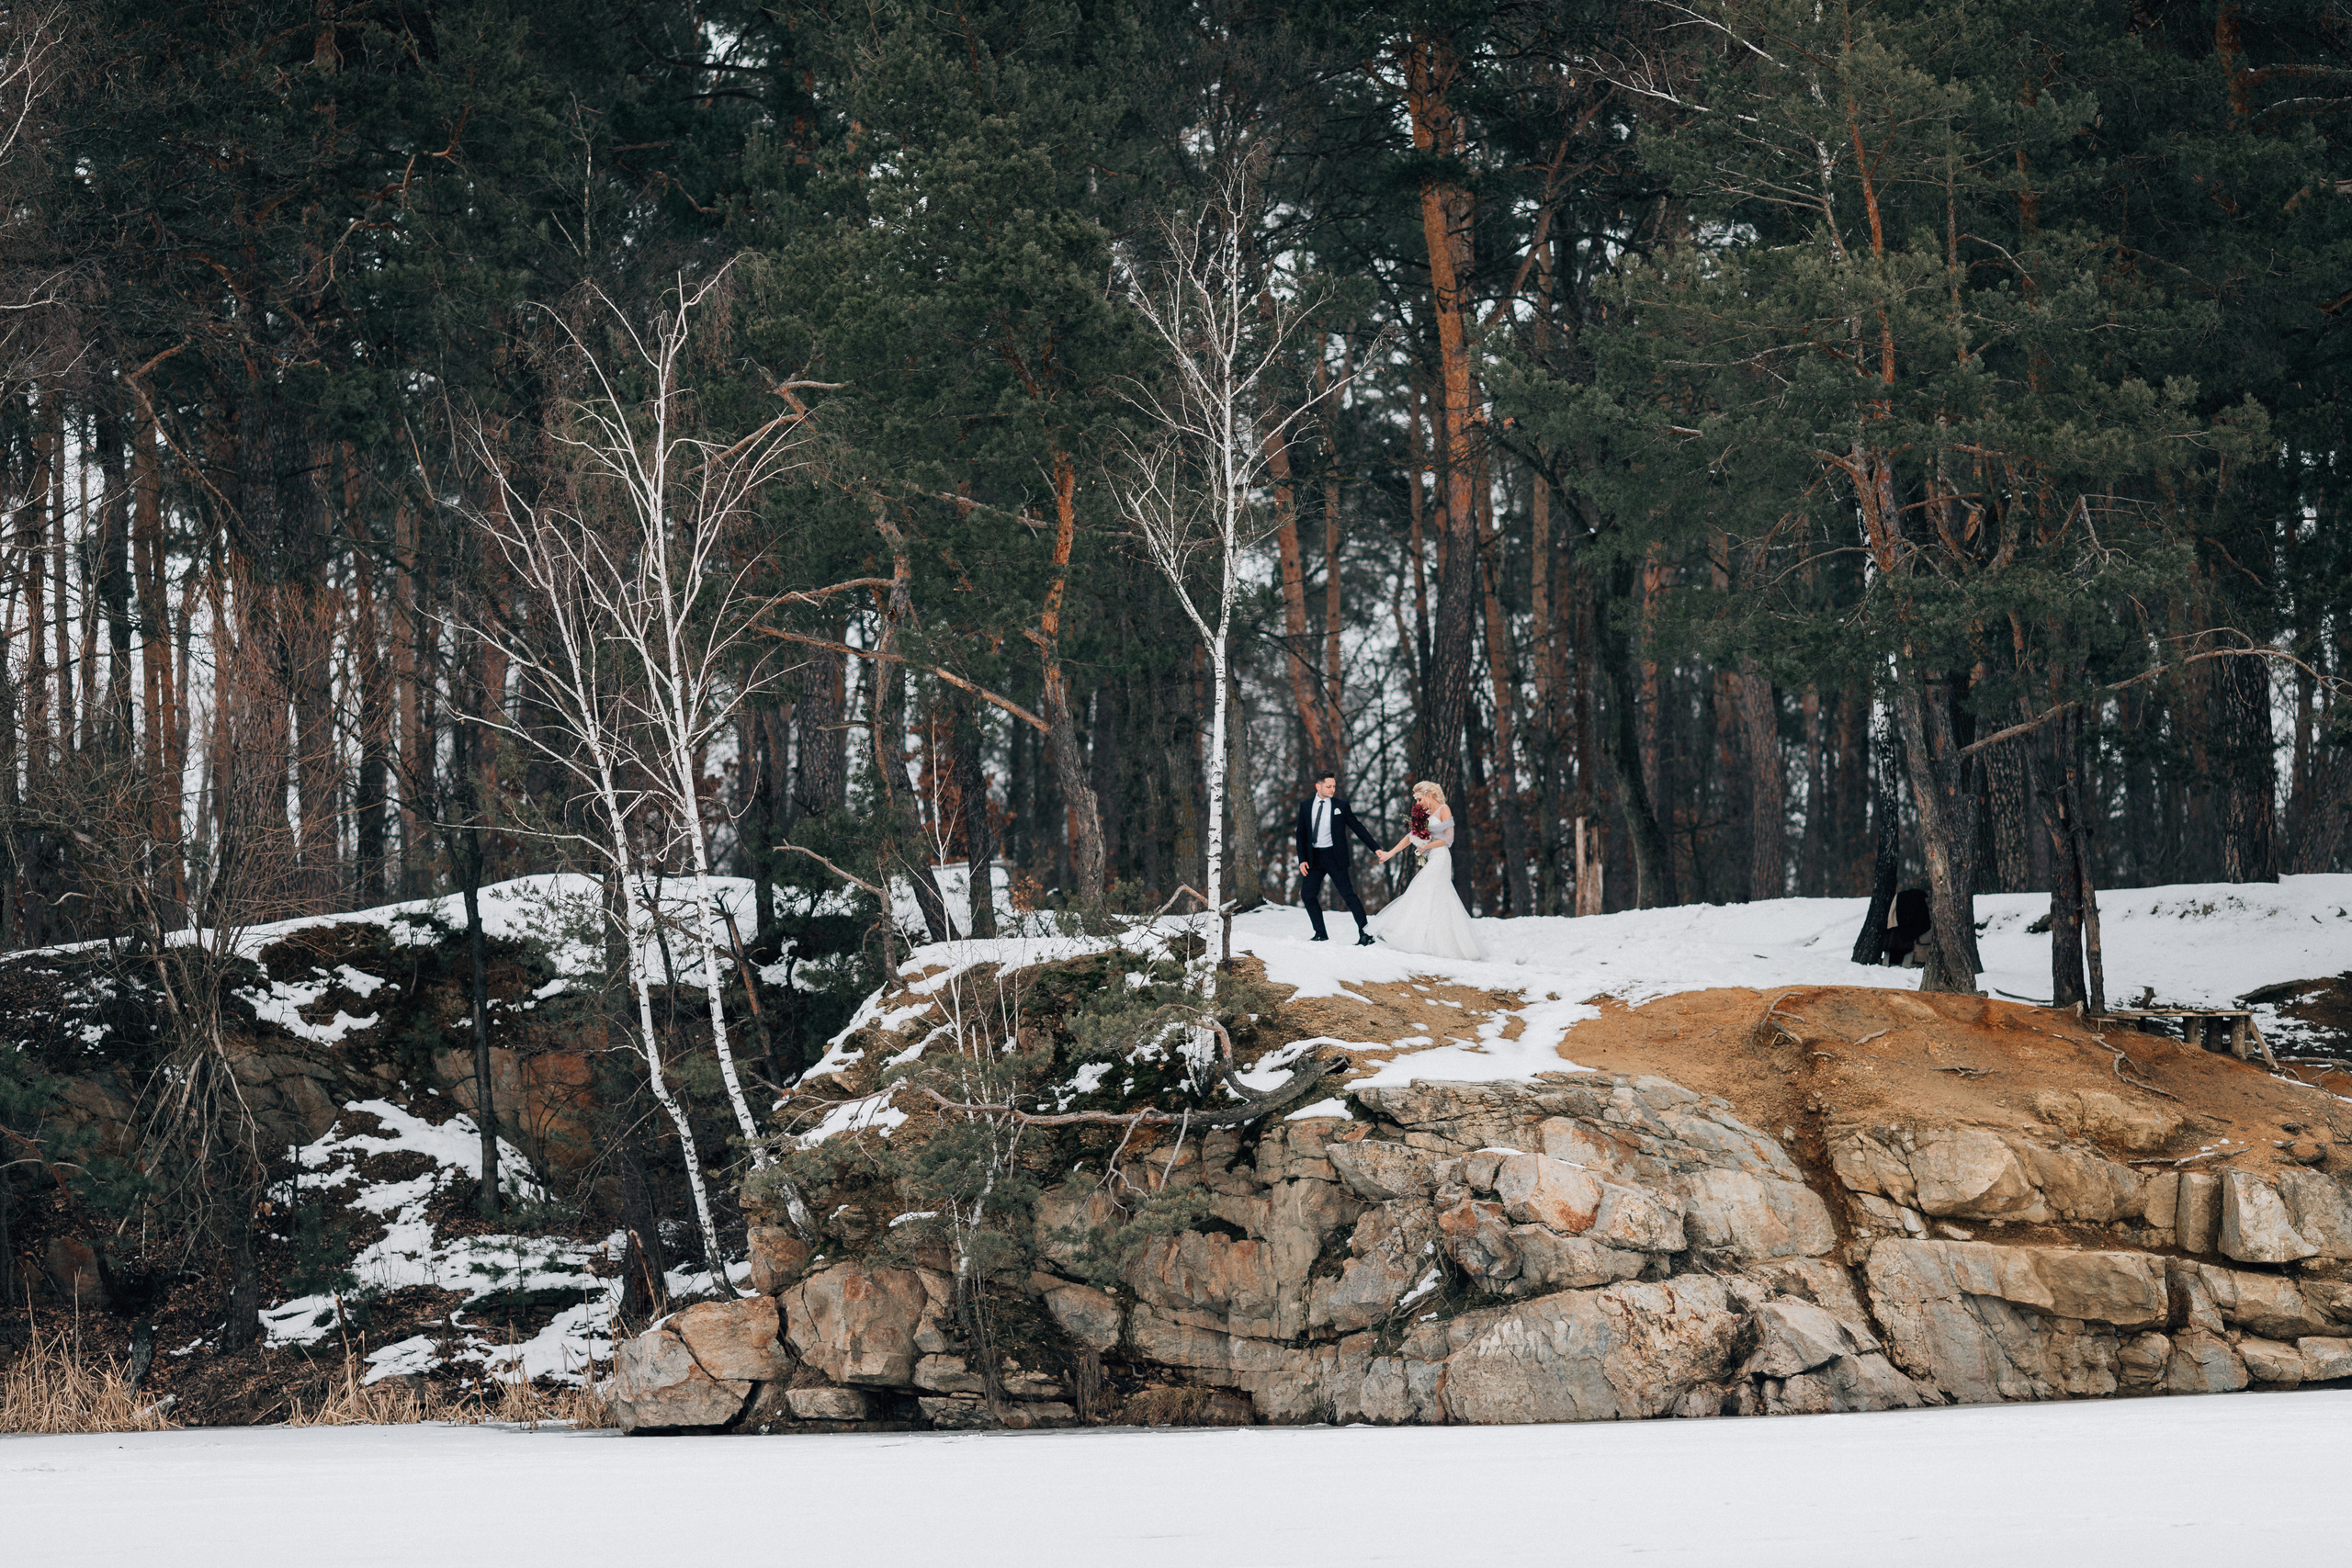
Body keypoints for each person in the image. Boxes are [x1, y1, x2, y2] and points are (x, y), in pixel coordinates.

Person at [1372, 781, 1486, 961]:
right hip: (1432, 855)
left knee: (1421, 887)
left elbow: (1449, 838)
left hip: (1440, 857)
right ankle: (1425, 939)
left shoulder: (1443, 809)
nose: (1417, 803)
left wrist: (1427, 847)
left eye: (1419, 799)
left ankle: (1412, 935)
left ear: (1429, 795)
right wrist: (1389, 854)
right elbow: (1410, 837)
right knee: (1435, 896)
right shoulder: (1424, 814)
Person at [1295, 770, 1381, 945]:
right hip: (1314, 858)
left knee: (1349, 895)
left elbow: (1358, 827)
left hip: (1334, 856)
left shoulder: (1341, 805)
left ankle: (1365, 935)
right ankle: (1320, 934)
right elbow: (1301, 834)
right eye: (1328, 786)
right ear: (1318, 786)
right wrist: (1302, 859)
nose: (1332, 789)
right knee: (1308, 894)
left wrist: (1376, 849)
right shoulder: (1305, 805)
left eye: (1334, 786)